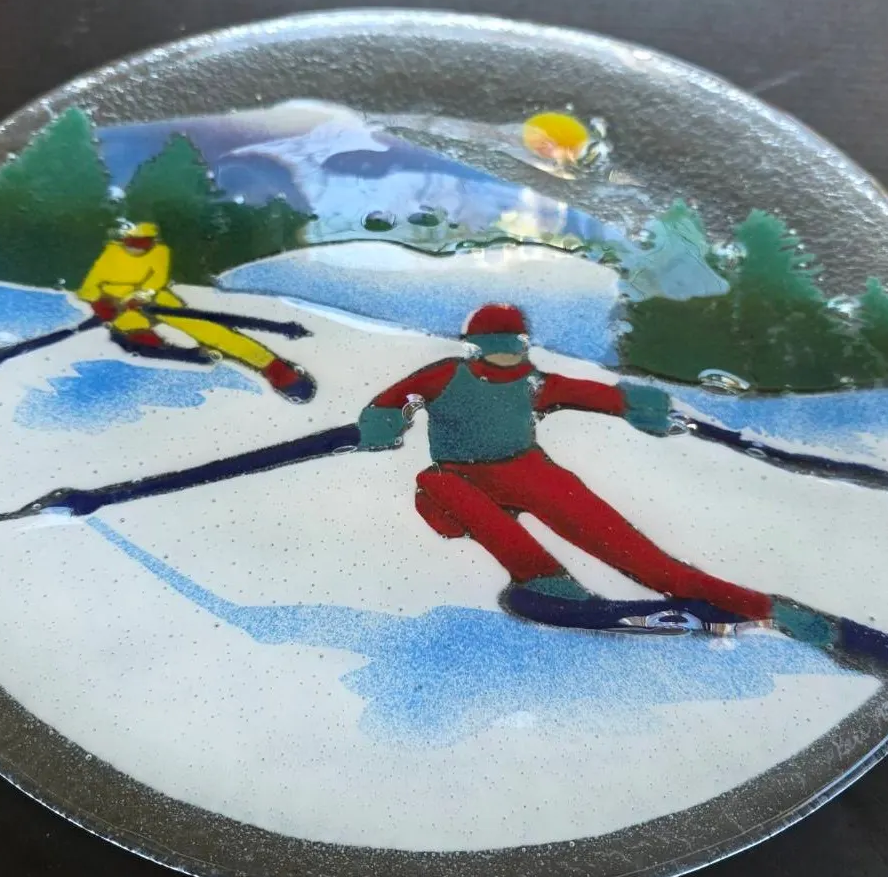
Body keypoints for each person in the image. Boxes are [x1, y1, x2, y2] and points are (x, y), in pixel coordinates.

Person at [356, 302, 817, 635]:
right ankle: (541, 578)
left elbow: (591, 394)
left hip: (526, 471)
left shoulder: (533, 383)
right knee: (433, 481)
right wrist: (383, 420)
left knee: (643, 559)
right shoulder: (446, 376)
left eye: (514, 348)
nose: (507, 358)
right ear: (475, 348)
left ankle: (765, 608)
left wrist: (635, 405)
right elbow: (394, 400)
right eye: (497, 348)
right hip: (459, 483)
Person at [77, 221, 315, 401]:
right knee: (138, 336)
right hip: (117, 305)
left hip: (153, 299)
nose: (138, 250)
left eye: (144, 245)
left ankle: (274, 368)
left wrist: (143, 295)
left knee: (207, 329)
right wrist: (102, 303)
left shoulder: (160, 252)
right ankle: (173, 352)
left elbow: (157, 278)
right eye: (133, 244)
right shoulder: (112, 253)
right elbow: (89, 287)